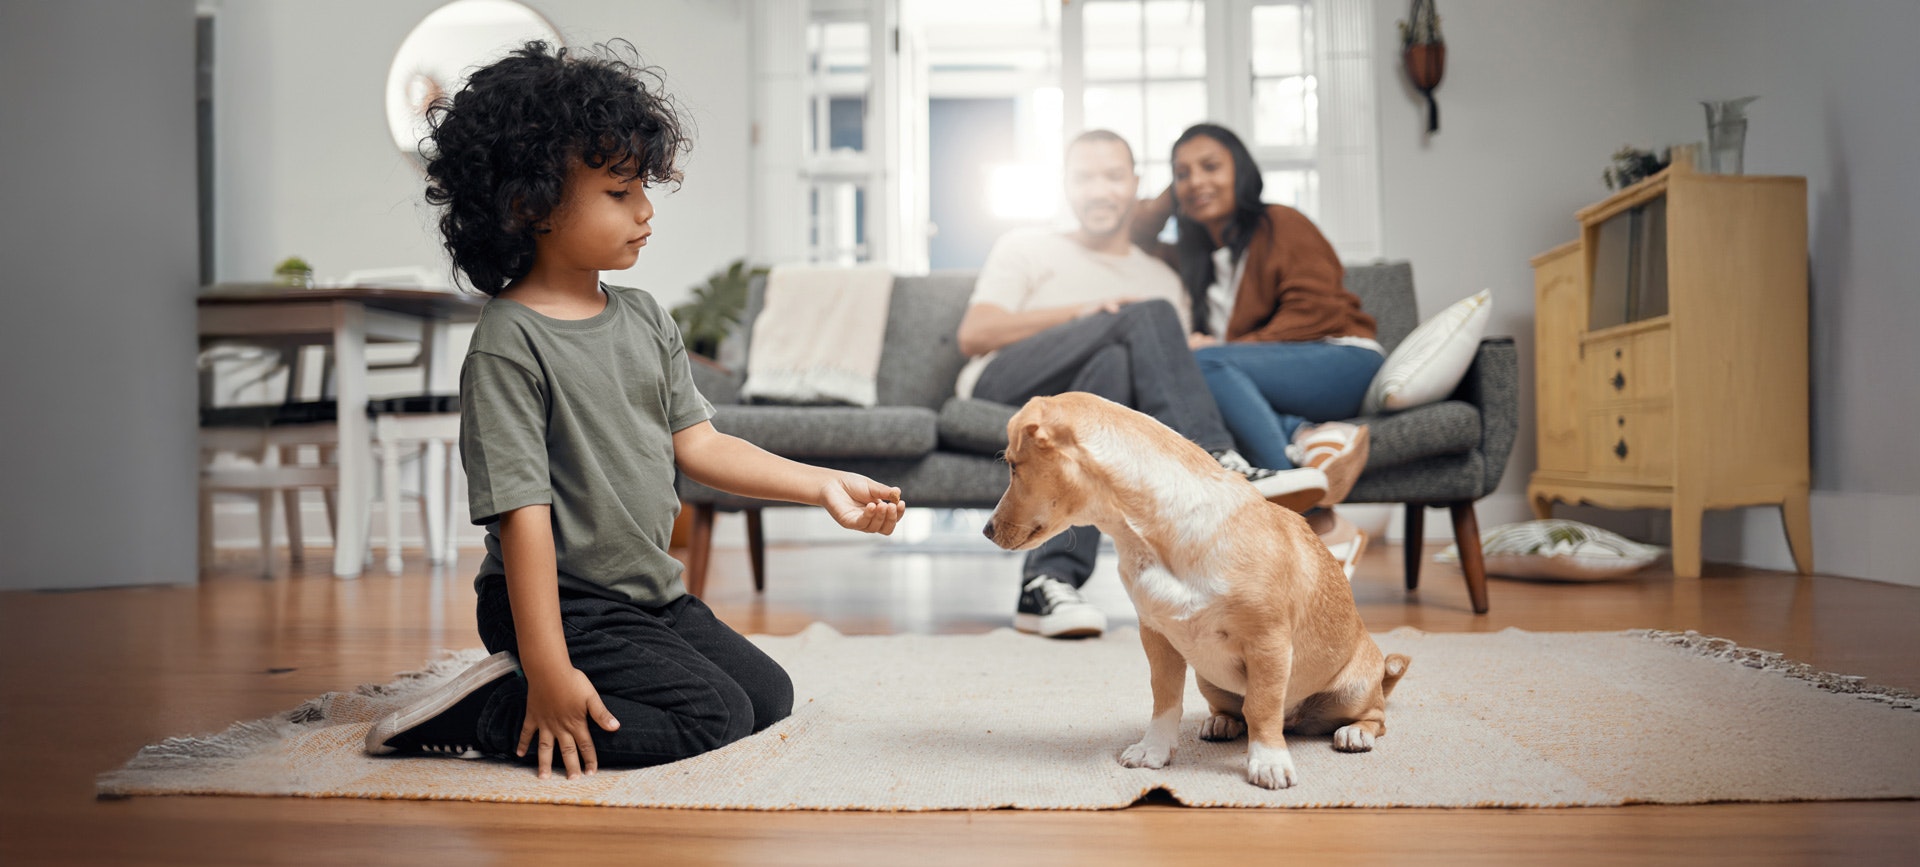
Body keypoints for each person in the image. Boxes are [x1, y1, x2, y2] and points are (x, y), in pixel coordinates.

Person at [362, 42, 905, 780]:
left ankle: (538, 687)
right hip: (563, 600)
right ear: (530, 203)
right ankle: (495, 711)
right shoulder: (509, 342)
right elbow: (522, 517)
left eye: (642, 187)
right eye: (619, 194)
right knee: (713, 716)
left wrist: (822, 483)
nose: (646, 210)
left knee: (766, 695)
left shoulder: (645, 317)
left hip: (648, 592)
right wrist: (550, 669)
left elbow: (703, 443)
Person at [957, 129, 1332, 639]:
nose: (1099, 190)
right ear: (1066, 186)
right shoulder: (1026, 247)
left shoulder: (1163, 275)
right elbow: (975, 334)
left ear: (1135, 185)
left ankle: (1046, 583)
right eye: (1084, 178)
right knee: (1140, 318)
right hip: (1009, 388)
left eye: (1113, 177)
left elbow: (1170, 372)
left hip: (1084, 414)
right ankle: (1219, 460)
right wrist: (1086, 315)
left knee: (1112, 366)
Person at [1133, 123, 1382, 578]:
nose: (1196, 182)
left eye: (1211, 167)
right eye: (1182, 174)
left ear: (1242, 172)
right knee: (1196, 385)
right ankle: (1306, 438)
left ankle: (1311, 521)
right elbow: (1135, 236)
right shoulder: (1194, 257)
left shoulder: (1282, 223)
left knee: (1200, 364)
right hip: (1266, 381)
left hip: (1342, 358)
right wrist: (1181, 191)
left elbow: (1317, 311)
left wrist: (1226, 350)